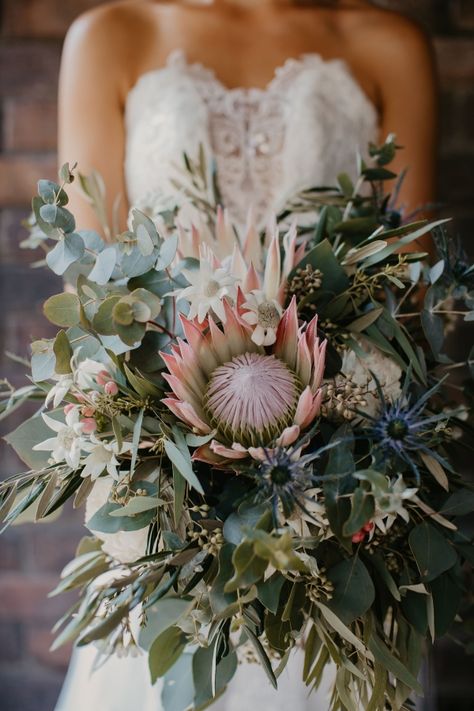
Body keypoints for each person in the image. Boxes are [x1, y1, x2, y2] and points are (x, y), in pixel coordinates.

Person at [55, 1, 438, 709]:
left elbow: (406, 301)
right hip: (169, 497)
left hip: (333, 484)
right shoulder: (111, 36)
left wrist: (331, 458)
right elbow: (96, 301)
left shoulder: (390, 44)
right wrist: (148, 440)